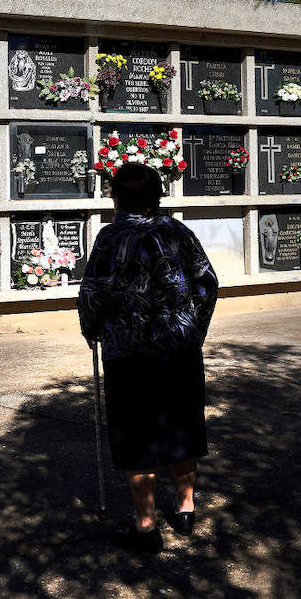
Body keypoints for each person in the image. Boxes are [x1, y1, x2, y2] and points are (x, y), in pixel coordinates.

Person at [78, 162, 219, 554]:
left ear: (117, 196)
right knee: (182, 422)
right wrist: (193, 330)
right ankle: (186, 508)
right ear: (156, 195)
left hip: (129, 352)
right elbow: (208, 282)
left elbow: (93, 292)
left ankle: (144, 524)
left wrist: (91, 329)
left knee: (136, 431)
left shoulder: (111, 237)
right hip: (178, 349)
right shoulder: (177, 232)